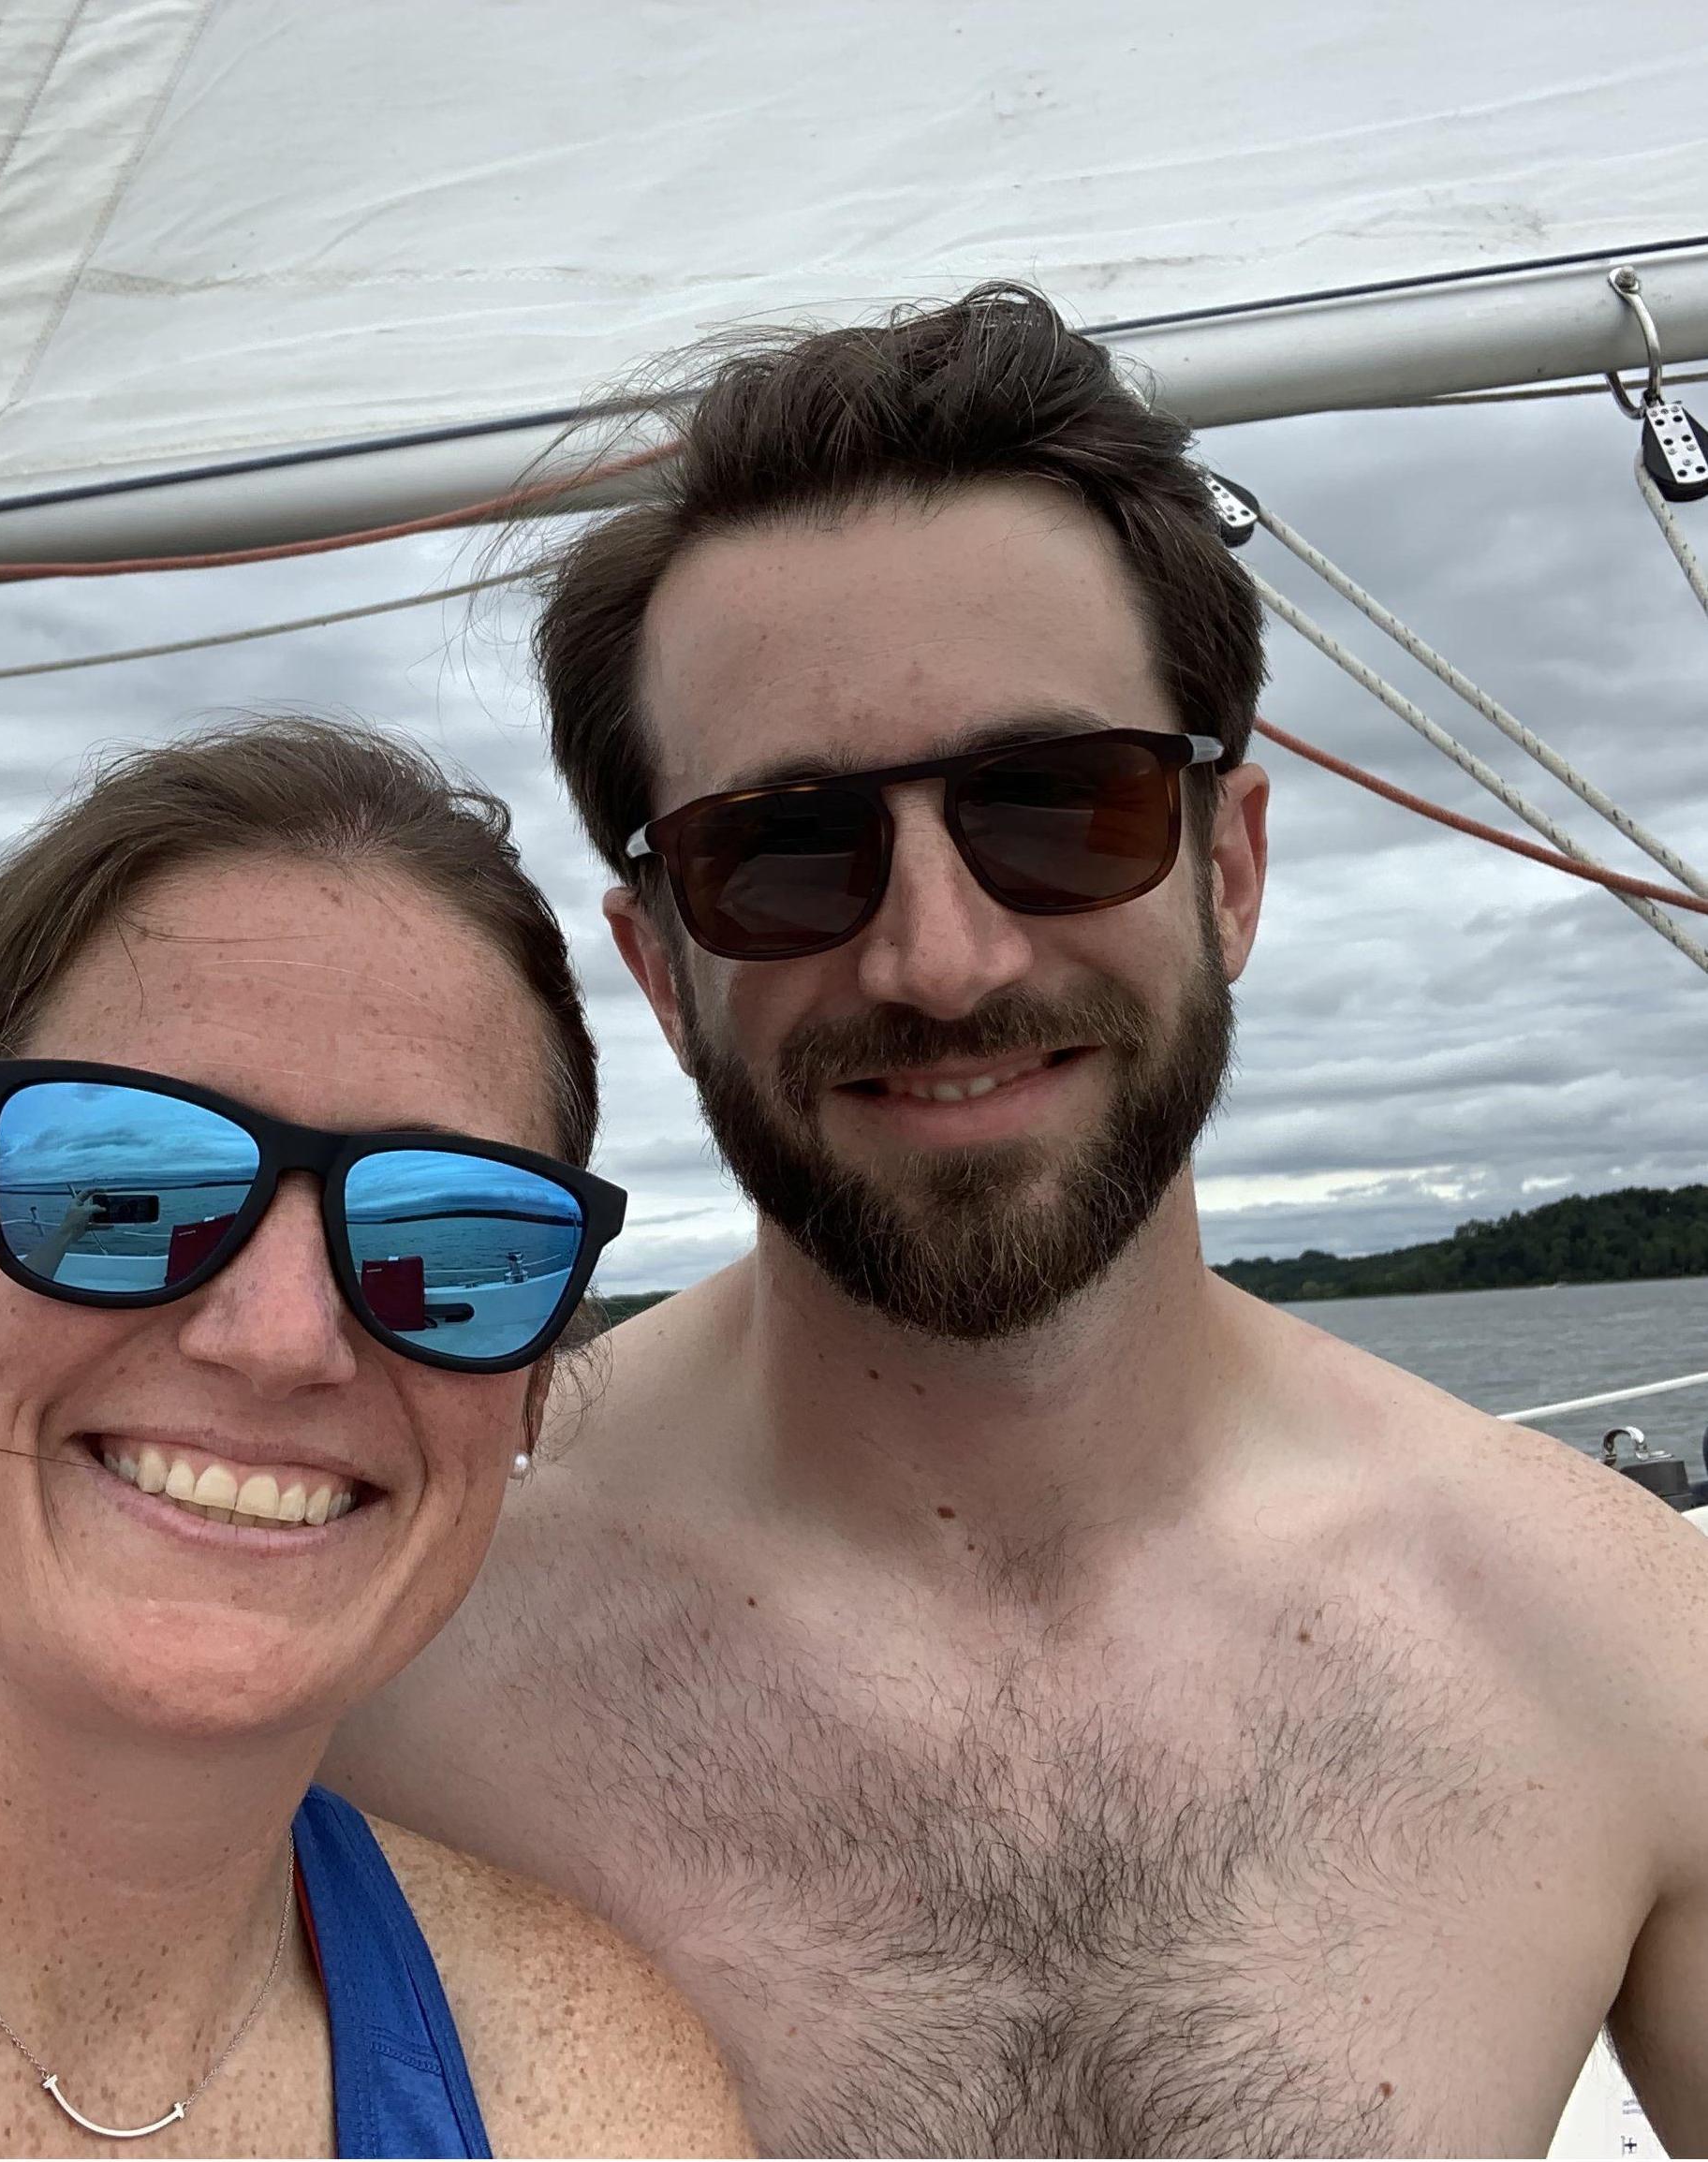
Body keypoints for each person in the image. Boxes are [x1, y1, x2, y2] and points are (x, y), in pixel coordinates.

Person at [325, 287, 1708, 2155]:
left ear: (1229, 869)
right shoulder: (385, 1657)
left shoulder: (1622, 1646)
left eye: (1060, 805)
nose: (943, 956)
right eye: (788, 850)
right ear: (661, 968)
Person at [0, 720, 750, 2158]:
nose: (282, 1334)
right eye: (120, 1184)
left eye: (449, 1235)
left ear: (530, 1394)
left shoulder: (584, 2084)